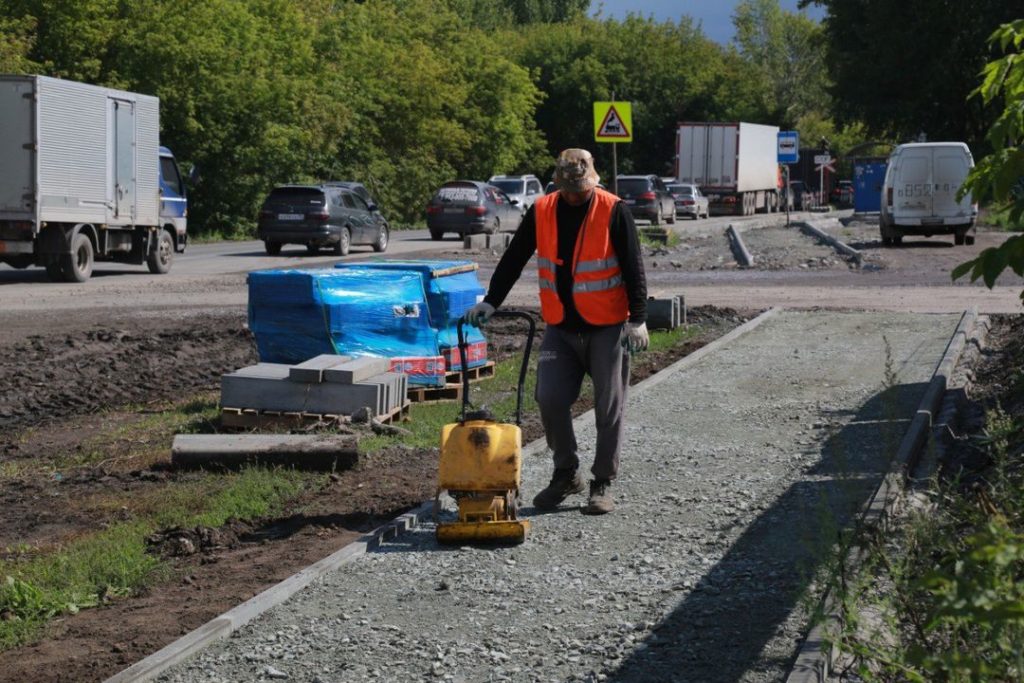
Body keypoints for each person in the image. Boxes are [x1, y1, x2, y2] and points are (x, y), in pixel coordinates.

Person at [465, 148, 648, 515]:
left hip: (607, 327)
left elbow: (633, 267)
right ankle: (566, 473)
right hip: (561, 327)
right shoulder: (543, 210)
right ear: (558, 184)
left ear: (591, 181)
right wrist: (491, 301)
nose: (575, 195)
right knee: (549, 398)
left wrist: (638, 318)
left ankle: (602, 482)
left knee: (608, 407)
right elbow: (515, 257)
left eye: (580, 189)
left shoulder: (613, 210)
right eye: (569, 189)